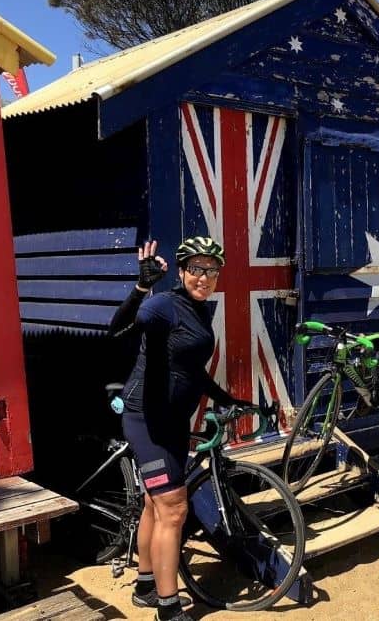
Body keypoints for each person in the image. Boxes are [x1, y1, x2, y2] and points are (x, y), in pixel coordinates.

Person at [109, 237, 262, 621]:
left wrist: (226, 399)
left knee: (154, 503)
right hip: (147, 419)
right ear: (181, 271)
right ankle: (169, 608)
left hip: (174, 419)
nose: (205, 277)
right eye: (196, 268)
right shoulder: (164, 305)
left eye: (212, 270)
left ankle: (146, 585)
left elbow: (191, 369)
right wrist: (142, 288)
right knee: (174, 509)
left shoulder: (197, 311)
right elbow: (120, 328)